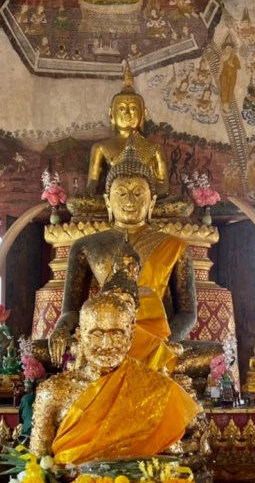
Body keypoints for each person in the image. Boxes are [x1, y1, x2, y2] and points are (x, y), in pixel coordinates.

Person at [49, 140, 196, 373]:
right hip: (103, 341)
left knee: (212, 353)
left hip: (155, 339)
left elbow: (187, 313)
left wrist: (162, 343)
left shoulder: (175, 246)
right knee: (40, 351)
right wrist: (61, 329)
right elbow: (72, 309)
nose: (129, 201)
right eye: (121, 193)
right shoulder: (85, 245)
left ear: (152, 202)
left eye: (138, 193)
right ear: (107, 201)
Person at [31, 276, 200, 466]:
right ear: (79, 336)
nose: (106, 345)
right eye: (96, 334)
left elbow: (172, 461)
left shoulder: (156, 389)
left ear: (131, 336)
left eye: (117, 334)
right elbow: (36, 467)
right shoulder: (53, 392)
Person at [85, 62, 169, 198]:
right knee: (77, 203)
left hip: (145, 201)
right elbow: (93, 182)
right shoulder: (100, 147)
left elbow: (163, 184)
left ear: (143, 114)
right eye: (122, 109)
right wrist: (89, 191)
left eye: (133, 109)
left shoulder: (155, 149)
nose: (128, 114)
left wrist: (148, 197)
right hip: (114, 200)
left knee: (181, 204)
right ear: (111, 114)